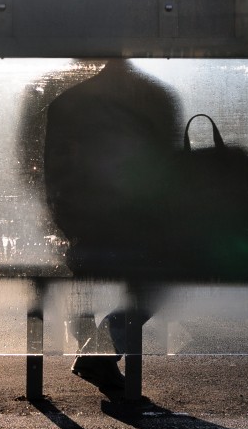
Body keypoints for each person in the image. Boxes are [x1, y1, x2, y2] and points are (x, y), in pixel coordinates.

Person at [41, 60, 181, 396]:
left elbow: (52, 173)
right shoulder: (153, 100)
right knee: (160, 278)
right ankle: (100, 353)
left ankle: (97, 354)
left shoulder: (68, 102)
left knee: (85, 280)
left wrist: (64, 221)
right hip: (122, 225)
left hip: (86, 225)